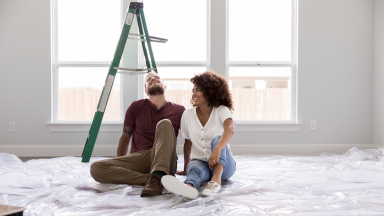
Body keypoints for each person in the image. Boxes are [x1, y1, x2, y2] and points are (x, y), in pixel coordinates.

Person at [90, 72, 185, 197]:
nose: (153, 79)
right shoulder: (136, 107)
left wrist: (187, 168)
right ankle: (152, 179)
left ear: (165, 86)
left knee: (165, 124)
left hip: (166, 159)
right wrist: (120, 162)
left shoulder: (179, 110)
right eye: (149, 80)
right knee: (96, 168)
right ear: (146, 90)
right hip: (141, 158)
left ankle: (159, 174)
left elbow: (189, 140)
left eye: (157, 78)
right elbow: (125, 137)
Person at [161, 71, 236, 199]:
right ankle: (189, 188)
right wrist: (186, 168)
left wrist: (217, 149)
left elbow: (230, 129)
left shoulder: (221, 110)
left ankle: (215, 181)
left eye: (198, 90)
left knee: (217, 139)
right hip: (201, 161)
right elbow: (188, 144)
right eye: (193, 90)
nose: (194, 94)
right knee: (194, 169)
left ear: (211, 91)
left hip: (224, 166)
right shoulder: (188, 114)